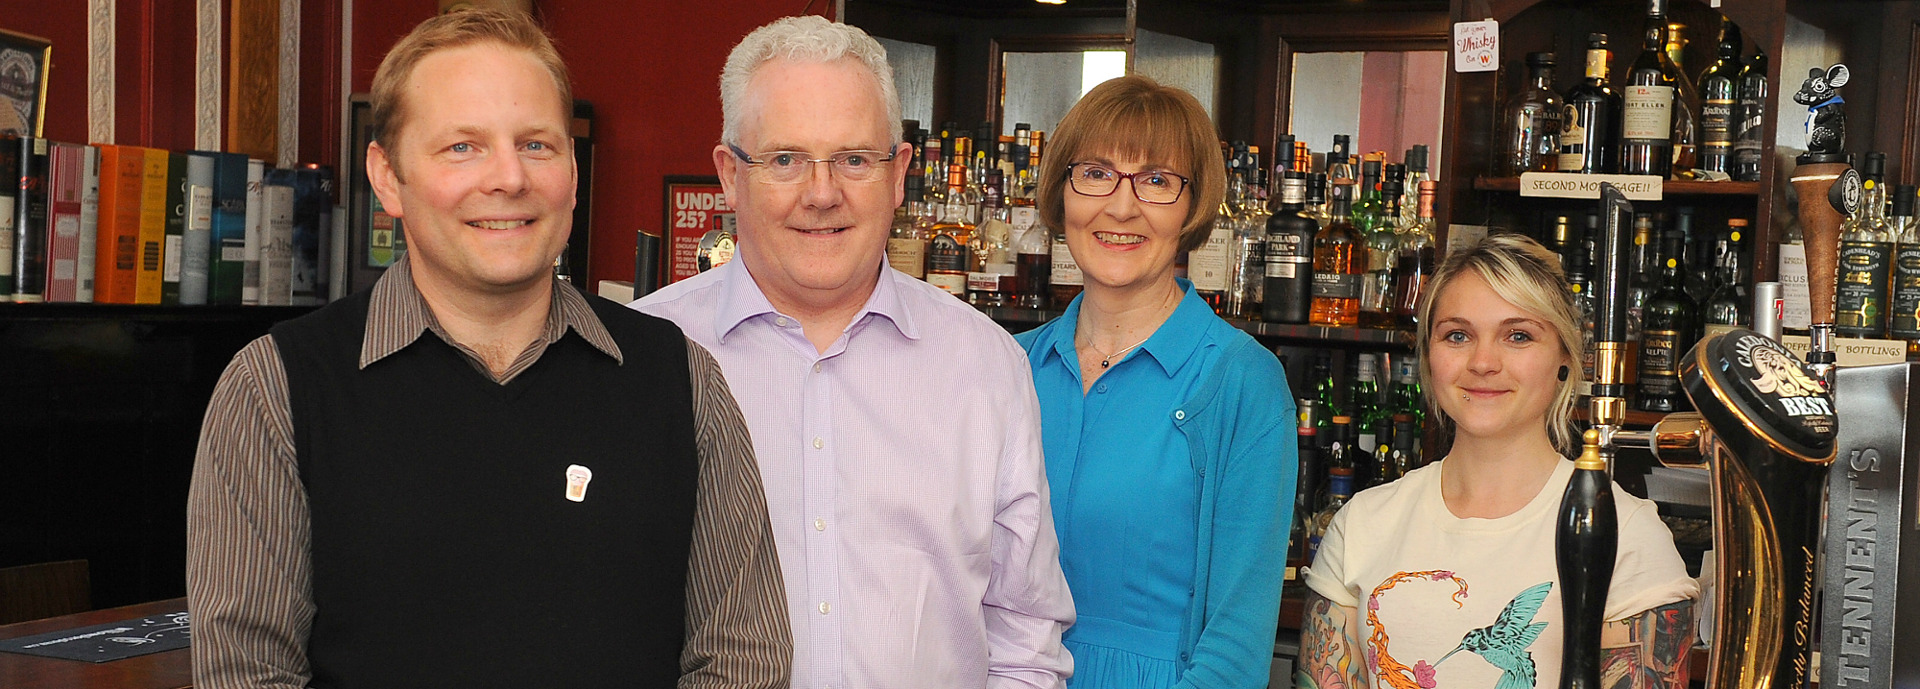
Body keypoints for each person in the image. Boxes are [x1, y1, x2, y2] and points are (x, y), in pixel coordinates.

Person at [186, 9, 790, 688]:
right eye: (462, 147)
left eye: (536, 144)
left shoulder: (681, 381)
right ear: (388, 177)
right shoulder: (277, 389)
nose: (508, 178)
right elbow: (248, 672)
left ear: (572, 169)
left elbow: (745, 662)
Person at [634, 15, 1075, 689]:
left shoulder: (986, 365)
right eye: (785, 159)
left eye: (854, 159)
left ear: (898, 173)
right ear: (730, 174)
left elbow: (1025, 639)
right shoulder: (639, 357)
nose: (822, 193)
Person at [1298, 233, 1698, 689]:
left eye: (1518, 336)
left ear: (1565, 356)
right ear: (1429, 355)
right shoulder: (1362, 525)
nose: (1483, 361)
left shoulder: (1625, 536)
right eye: (1458, 335)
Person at [1012, 75, 1297, 688]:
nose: (1120, 206)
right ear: (1062, 193)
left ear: (1193, 209)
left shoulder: (1242, 383)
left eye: (1157, 181)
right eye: (1094, 174)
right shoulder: (1006, 367)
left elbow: (1236, 648)